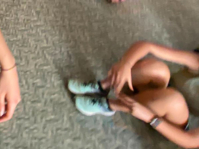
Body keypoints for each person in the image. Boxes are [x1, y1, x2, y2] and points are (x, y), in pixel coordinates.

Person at [68, 41, 199, 148]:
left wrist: (150, 117)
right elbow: (148, 46)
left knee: (174, 100)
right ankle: (103, 86)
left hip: (176, 127)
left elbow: (190, 141)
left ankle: (110, 105)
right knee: (158, 69)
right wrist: (126, 64)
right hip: (165, 91)